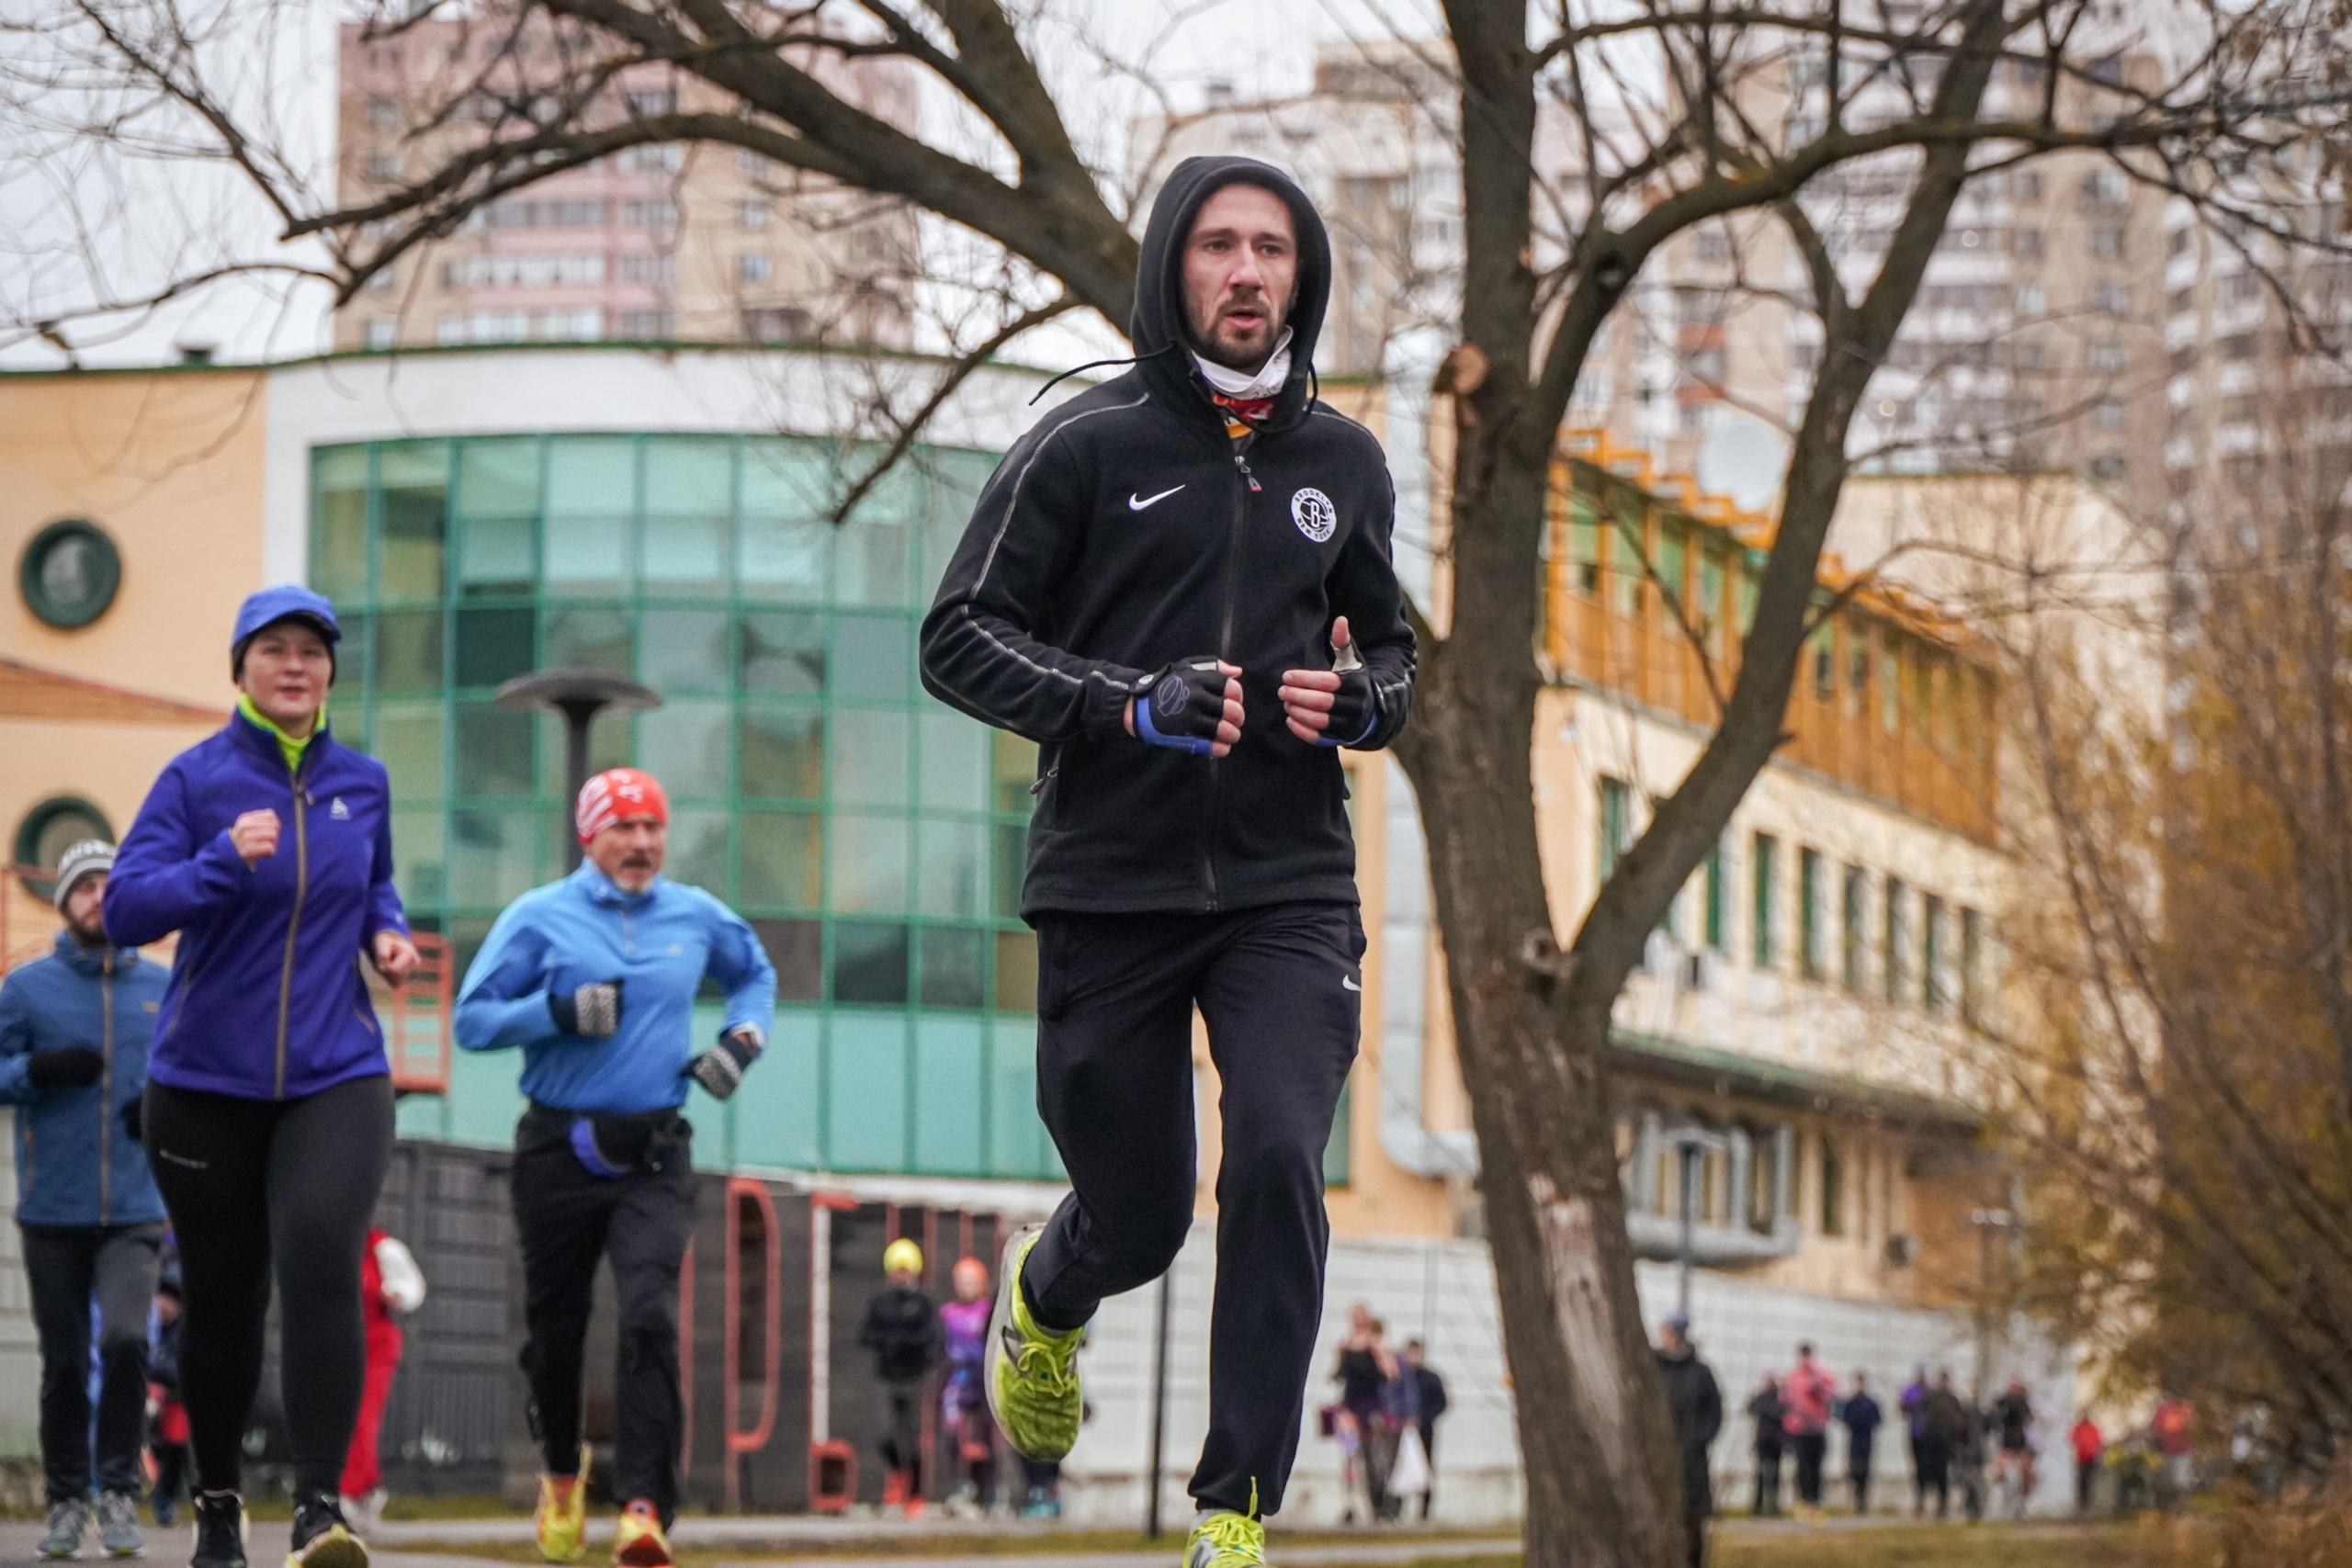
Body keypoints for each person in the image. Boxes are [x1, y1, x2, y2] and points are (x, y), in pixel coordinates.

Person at [921, 152, 1414, 1568]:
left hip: (1288, 887)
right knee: (1138, 1211)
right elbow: (957, 636)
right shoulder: (1085, 446)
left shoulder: (1346, 463)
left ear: (1302, 279)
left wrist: (1366, 701)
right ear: (1171, 270)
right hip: (1109, 886)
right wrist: (1125, 700)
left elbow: (1390, 648)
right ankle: (1049, 1291)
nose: (1249, 273)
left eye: (1274, 250)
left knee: (1274, 1156)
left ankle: (1234, 1510)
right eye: (1219, 247)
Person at [105, 585, 417, 1568]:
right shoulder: (194, 780)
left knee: (326, 1262)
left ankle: (322, 1511)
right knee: (227, 1295)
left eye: (312, 652)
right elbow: (123, 909)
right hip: (203, 1082)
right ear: (239, 669)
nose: (295, 665)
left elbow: (374, 880)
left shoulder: (362, 782)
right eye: (273, 649)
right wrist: (217, 864)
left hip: (338, 1069)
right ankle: (217, 1509)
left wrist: (389, 931)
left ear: (330, 672)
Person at [454, 765, 775, 1568]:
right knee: (555, 1336)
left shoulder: (695, 914)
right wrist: (556, 1012)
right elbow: (471, 1019)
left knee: (649, 1317)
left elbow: (754, 975)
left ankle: (644, 1509)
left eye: (653, 827)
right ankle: (562, 1473)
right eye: (623, 828)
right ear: (588, 835)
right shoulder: (540, 916)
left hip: (655, 1152)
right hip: (555, 1150)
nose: (641, 843)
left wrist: (740, 1042)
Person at [0, 840, 170, 1561]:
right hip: (53, 1208)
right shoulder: (27, 987)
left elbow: (194, 1073)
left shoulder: (164, 986)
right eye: (85, 885)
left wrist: (162, 1109)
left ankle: (120, 1490)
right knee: (65, 1360)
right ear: (64, 899)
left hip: (135, 1207)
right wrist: (36, 1068)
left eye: (111, 884)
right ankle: (68, 1499)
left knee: (128, 1339)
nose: (99, 895)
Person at [339, 1230, 426, 1533]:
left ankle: (351, 1493)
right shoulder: (330, 1244)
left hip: (376, 1347)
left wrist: (397, 1294)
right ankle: (368, 1489)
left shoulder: (383, 1249)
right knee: (342, 1420)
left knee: (362, 1419)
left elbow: (412, 1287)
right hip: (340, 1345)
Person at [860, 1238, 944, 1516]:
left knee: (913, 1435)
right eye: (896, 1269)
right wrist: (888, 1343)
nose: (900, 1275)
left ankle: (916, 1494)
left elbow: (931, 1339)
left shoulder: (923, 1303)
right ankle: (897, 1473)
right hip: (886, 1376)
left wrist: (908, 1345)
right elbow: (866, 1336)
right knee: (886, 1433)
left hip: (914, 1377)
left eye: (905, 1270)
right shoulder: (880, 1303)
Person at [1654, 1314, 1722, 1568]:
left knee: (1692, 1517)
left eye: (1668, 1333)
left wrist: (1698, 1440)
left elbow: (1715, 1411)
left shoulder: (1700, 1372)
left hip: (1691, 1458)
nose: (1664, 1339)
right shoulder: (1655, 1367)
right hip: (1659, 1456)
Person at [937, 1255, 999, 1513]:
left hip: (983, 1376)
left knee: (990, 1436)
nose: (967, 1286)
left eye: (972, 1280)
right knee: (951, 1430)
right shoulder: (947, 1313)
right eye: (962, 1281)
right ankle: (960, 1483)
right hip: (958, 1376)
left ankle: (990, 1490)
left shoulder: (988, 1312)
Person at [1330, 1306, 1400, 1524]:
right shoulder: (1346, 1345)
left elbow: (1391, 1374)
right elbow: (1337, 1376)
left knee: (1372, 1457)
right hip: (1350, 1407)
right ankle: (1350, 1506)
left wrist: (1381, 1356)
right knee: (1350, 1458)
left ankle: (1378, 1504)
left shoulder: (1375, 1344)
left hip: (1371, 1406)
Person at [150, 1267, 191, 1529]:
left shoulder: (182, 1334)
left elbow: (182, 1369)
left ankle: (165, 1499)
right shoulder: (147, 1328)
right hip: (147, 1398)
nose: (163, 1306)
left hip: (174, 1400)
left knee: (175, 1448)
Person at [1781, 1344, 1837, 1523]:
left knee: (1816, 1469)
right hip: (1800, 1429)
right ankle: (1803, 1503)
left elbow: (1831, 1395)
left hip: (1817, 1427)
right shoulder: (1794, 1375)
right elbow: (1786, 1399)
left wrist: (1818, 1386)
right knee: (1802, 1468)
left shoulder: (1822, 1373)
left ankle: (1815, 1504)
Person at [1402, 1339, 1447, 1521]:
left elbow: (1442, 1403)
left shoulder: (1431, 1378)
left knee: (1426, 1468)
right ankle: (1399, 1509)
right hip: (1404, 1431)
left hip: (1425, 1429)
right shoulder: (1402, 1377)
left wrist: (1425, 1418)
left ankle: (1424, 1511)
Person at [1919, 1371, 1968, 1519]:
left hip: (1946, 1439)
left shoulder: (1952, 1398)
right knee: (1927, 1471)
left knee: (1943, 1473)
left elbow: (1960, 1417)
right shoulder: (1931, 1396)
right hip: (1931, 1438)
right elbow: (1920, 1409)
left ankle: (1942, 1504)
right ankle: (1924, 1502)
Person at [1839, 1372, 1883, 1516]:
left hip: (1867, 1440)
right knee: (1855, 1469)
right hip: (1855, 1440)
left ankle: (1863, 1498)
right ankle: (1857, 1497)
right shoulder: (1851, 1403)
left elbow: (1877, 1420)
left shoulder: (1870, 1403)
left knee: (1866, 1470)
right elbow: (1845, 1419)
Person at [1991, 1377, 2035, 1517]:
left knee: (2021, 1470)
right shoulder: (2020, 1402)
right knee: (2010, 1466)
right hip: (2012, 1442)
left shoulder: (2007, 1401)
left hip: (2014, 1443)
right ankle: (2002, 1477)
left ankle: (2004, 1478)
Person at [1747, 1374, 1785, 1517]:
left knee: (1774, 1475)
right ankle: (1759, 1506)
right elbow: (1751, 1409)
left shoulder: (1779, 1398)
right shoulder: (1763, 1397)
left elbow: (1779, 1413)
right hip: (1764, 1442)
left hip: (1775, 1442)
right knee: (1762, 1475)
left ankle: (1771, 1506)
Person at [1899, 1366, 1930, 1517]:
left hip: (1929, 1436)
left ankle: (1923, 1499)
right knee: (1917, 1468)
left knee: (1926, 1467)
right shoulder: (1910, 1391)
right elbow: (1902, 1409)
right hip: (1915, 1434)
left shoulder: (1930, 1392)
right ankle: (1919, 1499)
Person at [2070, 1412, 2104, 1514]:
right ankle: (2082, 1503)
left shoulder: (2093, 1428)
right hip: (2081, 1459)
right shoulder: (2078, 1428)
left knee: (2090, 1480)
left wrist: (2094, 1450)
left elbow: (2098, 1442)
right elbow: (2074, 1439)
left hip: (2091, 1459)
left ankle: (2089, 1503)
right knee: (2082, 1480)